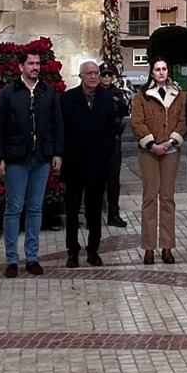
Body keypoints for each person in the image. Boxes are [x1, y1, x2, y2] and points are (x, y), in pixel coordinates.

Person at [0, 50, 63, 277]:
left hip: (41, 158)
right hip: (16, 158)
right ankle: (12, 259)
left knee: (36, 208)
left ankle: (33, 257)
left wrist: (57, 152)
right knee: (14, 208)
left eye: (38, 63)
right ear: (21, 67)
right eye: (31, 63)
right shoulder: (9, 93)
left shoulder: (48, 92)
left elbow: (57, 123)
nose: (35, 67)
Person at [60, 59, 119, 268]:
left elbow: (112, 129)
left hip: (98, 164)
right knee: (73, 209)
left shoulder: (106, 98)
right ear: (81, 76)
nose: (94, 76)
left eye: (96, 73)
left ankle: (93, 250)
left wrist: (106, 153)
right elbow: (62, 130)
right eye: (89, 73)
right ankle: (72, 251)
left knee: (94, 211)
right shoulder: (68, 99)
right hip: (74, 163)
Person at [131, 59, 186, 264]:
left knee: (167, 198)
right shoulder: (142, 96)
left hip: (171, 151)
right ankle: (149, 247)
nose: (161, 72)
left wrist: (171, 140)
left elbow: (183, 121)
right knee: (150, 198)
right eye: (157, 69)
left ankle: (167, 246)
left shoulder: (179, 95)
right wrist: (152, 144)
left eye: (164, 69)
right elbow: (137, 122)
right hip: (149, 152)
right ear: (151, 73)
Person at [102, 63, 131, 228]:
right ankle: (92, 216)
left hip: (113, 141)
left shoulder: (117, 93)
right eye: (103, 74)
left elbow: (123, 114)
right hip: (97, 143)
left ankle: (113, 214)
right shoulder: (94, 92)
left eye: (109, 75)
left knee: (113, 180)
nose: (106, 77)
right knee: (95, 180)